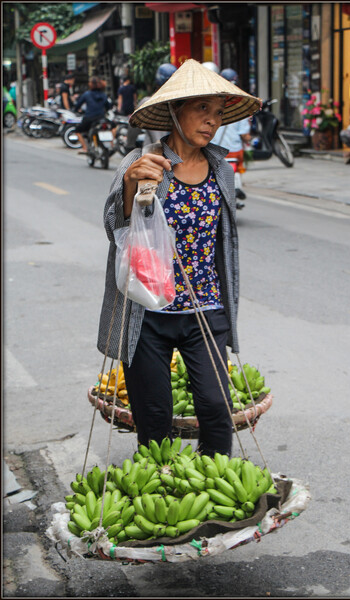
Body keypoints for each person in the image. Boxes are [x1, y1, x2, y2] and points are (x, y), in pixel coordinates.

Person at [96, 59, 261, 456]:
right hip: (149, 312)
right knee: (153, 417)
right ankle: (162, 486)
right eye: (202, 109)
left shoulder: (221, 168)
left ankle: (215, 475)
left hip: (206, 309)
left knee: (216, 407)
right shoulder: (143, 162)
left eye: (218, 113)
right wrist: (131, 187)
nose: (212, 121)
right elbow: (113, 227)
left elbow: (222, 239)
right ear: (175, 110)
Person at [125, 63, 177, 151]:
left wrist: (129, 145)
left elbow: (133, 127)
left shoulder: (148, 103)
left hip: (154, 155)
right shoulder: (183, 104)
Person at [211, 68, 252, 176]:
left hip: (215, 150)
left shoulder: (212, 104)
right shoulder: (240, 106)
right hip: (235, 151)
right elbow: (244, 135)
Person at [73, 76, 112, 154]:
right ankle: (112, 145)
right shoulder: (103, 95)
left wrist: (76, 110)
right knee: (112, 127)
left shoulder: (86, 94)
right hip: (101, 118)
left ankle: (85, 148)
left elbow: (78, 105)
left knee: (77, 130)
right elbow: (108, 106)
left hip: (89, 118)